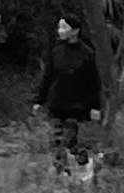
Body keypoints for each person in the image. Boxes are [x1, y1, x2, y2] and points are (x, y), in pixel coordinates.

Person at [38, 19, 103, 178]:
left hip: (77, 105)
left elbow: (93, 81)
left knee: (69, 139)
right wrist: (39, 99)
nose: (60, 30)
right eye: (59, 27)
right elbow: (48, 76)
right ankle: (61, 170)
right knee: (55, 138)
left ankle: (84, 162)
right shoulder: (56, 51)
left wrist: (95, 106)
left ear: (75, 30)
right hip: (56, 102)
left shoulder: (87, 53)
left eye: (64, 27)